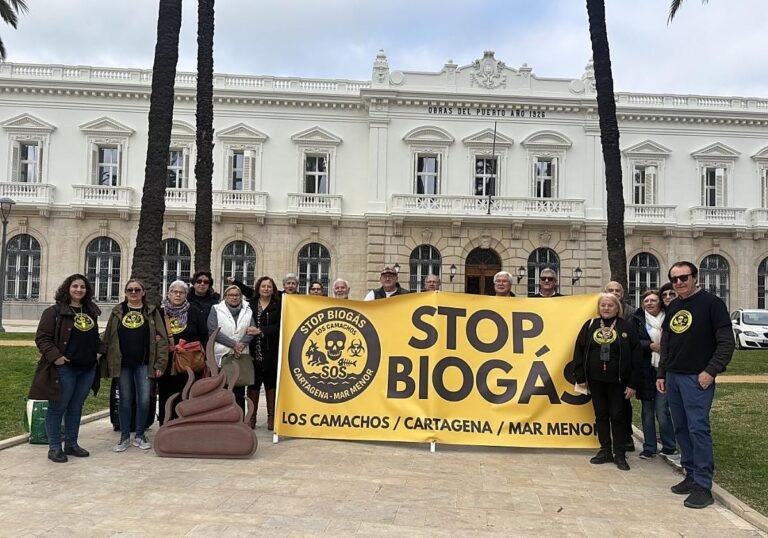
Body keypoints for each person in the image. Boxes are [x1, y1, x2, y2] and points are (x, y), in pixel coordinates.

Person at [657, 261, 734, 509]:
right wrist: (662, 373)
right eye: (674, 279)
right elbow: (667, 343)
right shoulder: (674, 306)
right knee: (681, 427)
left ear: (695, 277)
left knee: (698, 429)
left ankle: (703, 485)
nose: (679, 282)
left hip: (697, 378)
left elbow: (726, 342)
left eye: (684, 277)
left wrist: (711, 371)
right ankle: (690, 474)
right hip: (674, 376)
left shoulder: (712, 304)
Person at [33, 274, 101, 463]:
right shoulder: (54, 312)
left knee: (76, 407)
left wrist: (99, 352)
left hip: (87, 368)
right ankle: (55, 447)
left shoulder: (90, 311)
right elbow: (42, 338)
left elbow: (94, 337)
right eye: (75, 286)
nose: (79, 290)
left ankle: (71, 444)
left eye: (82, 287)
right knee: (58, 407)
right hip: (65, 368)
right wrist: (57, 358)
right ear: (67, 288)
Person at [573, 293, 641, 471]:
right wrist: (581, 377)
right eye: (603, 305)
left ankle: (619, 454)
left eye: (610, 305)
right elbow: (579, 350)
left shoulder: (626, 327)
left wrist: (633, 384)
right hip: (595, 381)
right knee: (601, 415)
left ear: (617, 308)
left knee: (618, 416)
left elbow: (636, 356)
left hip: (619, 382)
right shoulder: (590, 325)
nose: (606, 308)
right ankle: (605, 450)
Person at [102, 279, 168, 452]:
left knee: (144, 400)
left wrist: (160, 363)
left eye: (137, 290)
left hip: (144, 364)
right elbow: (108, 336)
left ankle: (140, 434)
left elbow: (162, 339)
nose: (133, 292)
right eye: (130, 290)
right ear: (125, 292)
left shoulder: (151, 312)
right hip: (122, 364)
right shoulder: (118, 311)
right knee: (125, 400)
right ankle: (124, 436)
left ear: (143, 292)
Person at [629, 290, 676, 460]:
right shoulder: (637, 319)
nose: (649, 303)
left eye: (653, 300)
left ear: (660, 303)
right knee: (647, 410)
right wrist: (649, 346)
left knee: (662, 409)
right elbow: (633, 341)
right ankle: (649, 447)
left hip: (664, 369)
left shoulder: (669, 317)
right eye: (646, 301)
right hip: (645, 369)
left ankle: (669, 445)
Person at [158, 280, 208, 425]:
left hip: (190, 361)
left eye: (182, 292)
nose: (178, 295)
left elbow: (204, 335)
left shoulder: (194, 311)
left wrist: (204, 357)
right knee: (167, 393)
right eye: (175, 292)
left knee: (188, 392)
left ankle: (187, 425)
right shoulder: (160, 313)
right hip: (167, 361)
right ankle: (166, 424)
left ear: (186, 295)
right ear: (169, 294)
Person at [208, 284, 256, 411]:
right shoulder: (216, 309)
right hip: (222, 354)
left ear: (241, 297)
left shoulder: (248, 310)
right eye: (231, 295)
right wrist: (233, 344)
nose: (234, 297)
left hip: (240, 354)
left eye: (237, 295)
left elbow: (252, 330)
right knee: (222, 388)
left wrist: (241, 344)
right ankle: (223, 417)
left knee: (239, 390)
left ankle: (239, 417)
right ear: (225, 296)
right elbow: (213, 331)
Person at [604, 279, 636, 452]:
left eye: (617, 291)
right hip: (603, 365)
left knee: (623, 405)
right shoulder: (599, 310)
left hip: (622, 364)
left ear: (622, 294)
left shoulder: (630, 313)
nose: (614, 293)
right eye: (611, 290)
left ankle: (626, 436)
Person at [247, 276, 281, 430]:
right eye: (263, 286)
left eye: (269, 286)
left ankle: (271, 418)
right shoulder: (250, 304)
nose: (266, 289)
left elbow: (280, 325)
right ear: (258, 288)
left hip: (271, 350)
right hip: (253, 350)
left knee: (270, 384)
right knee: (253, 384)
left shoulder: (278, 305)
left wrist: (261, 331)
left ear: (273, 289)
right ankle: (251, 417)